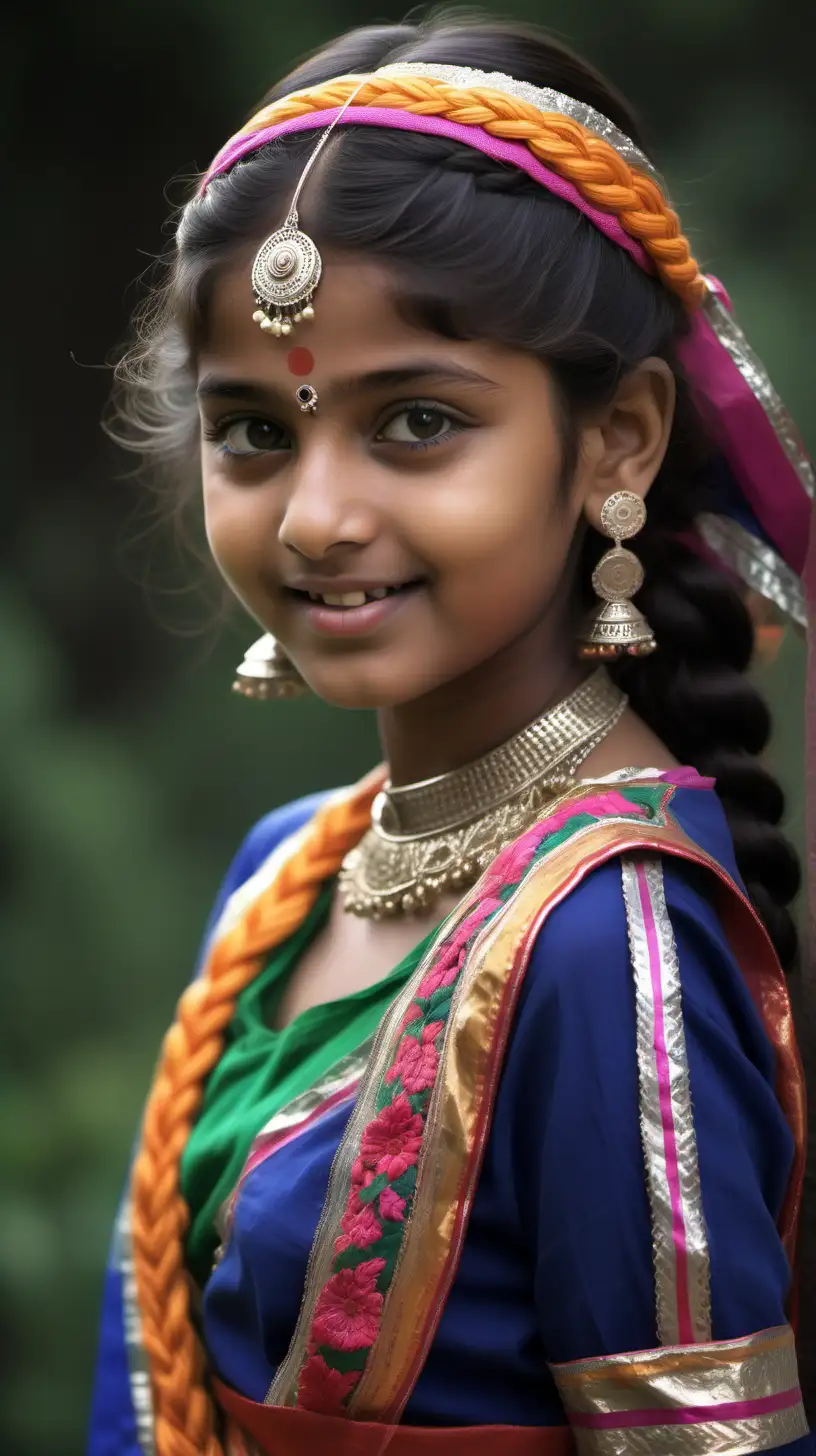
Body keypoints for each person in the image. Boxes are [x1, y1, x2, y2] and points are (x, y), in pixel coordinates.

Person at [88, 15, 815, 1456]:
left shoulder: (611, 947)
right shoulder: (284, 872)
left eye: (415, 420)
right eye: (254, 432)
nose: (315, 516)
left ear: (617, 441)